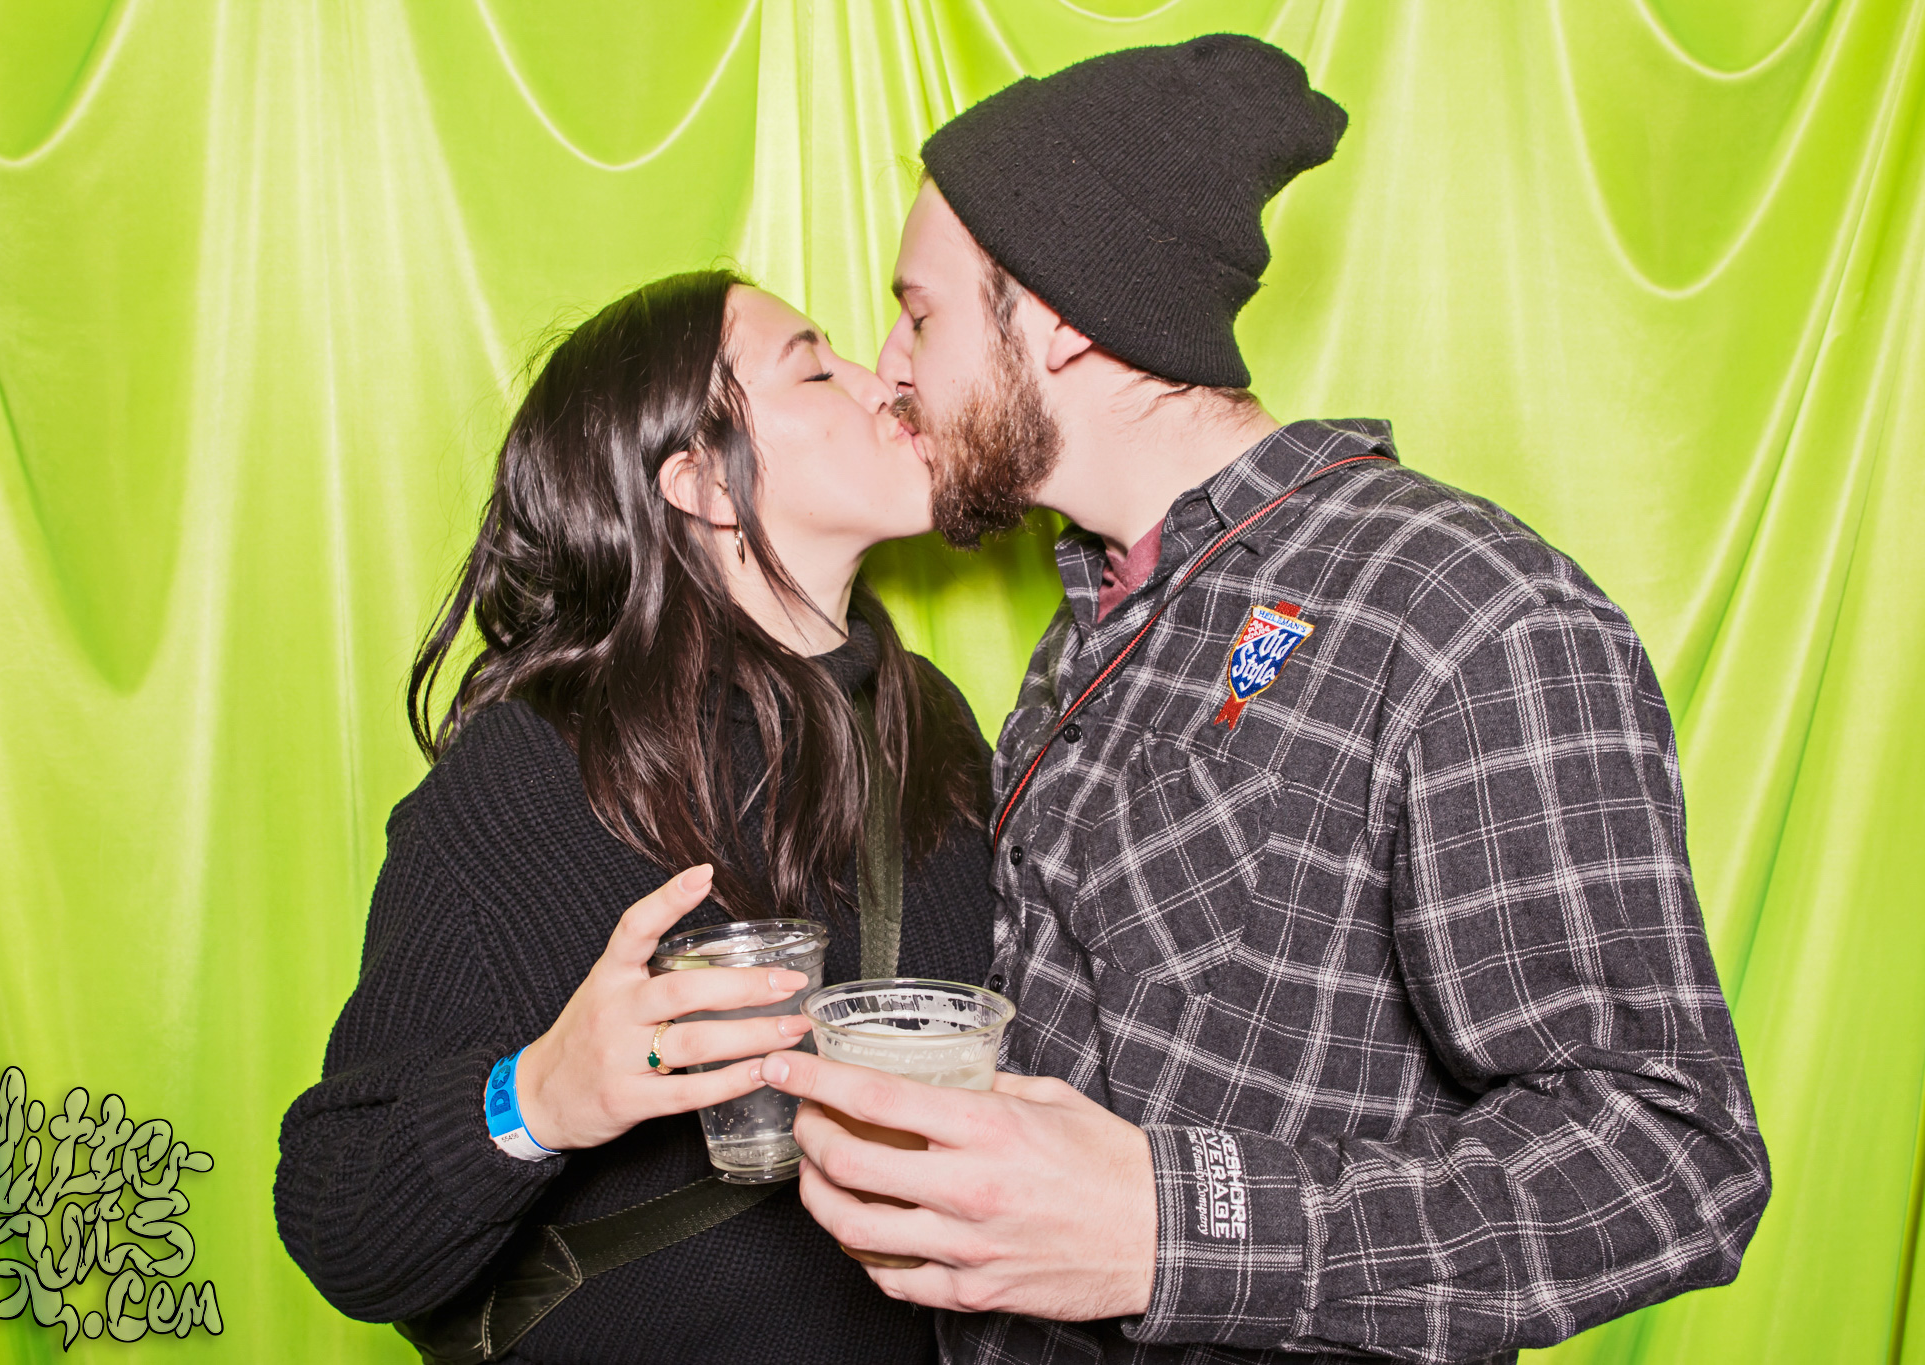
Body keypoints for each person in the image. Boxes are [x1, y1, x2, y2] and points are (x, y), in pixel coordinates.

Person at [757, 35, 1772, 1364]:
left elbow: (1670, 1159)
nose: (888, 368)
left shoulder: (1461, 609)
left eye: (920, 314)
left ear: (1055, 317)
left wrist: (1170, 1229)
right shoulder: (1098, 618)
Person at [274, 270, 995, 1365]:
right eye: (814, 368)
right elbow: (342, 1218)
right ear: (703, 482)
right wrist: (537, 1097)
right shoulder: (533, 774)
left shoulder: (922, 717)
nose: (881, 382)